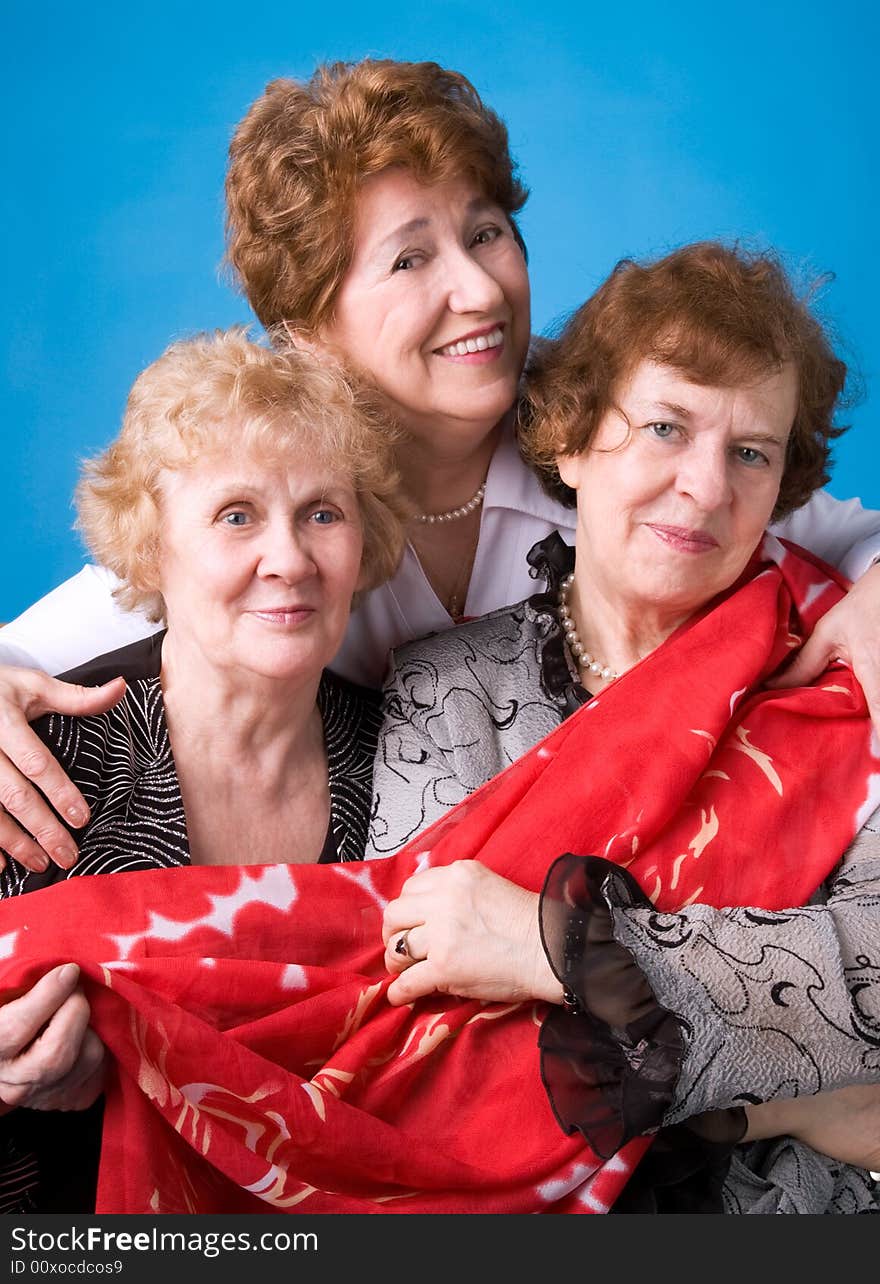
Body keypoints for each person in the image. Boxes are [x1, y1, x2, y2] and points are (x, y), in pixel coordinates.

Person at [3, 59, 880, 876]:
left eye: (487, 232)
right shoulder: (277, 526)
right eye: (411, 258)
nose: (482, 290)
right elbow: (72, 626)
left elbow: (834, 529)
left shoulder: (621, 453)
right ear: (309, 328)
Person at [367, 242, 880, 1213]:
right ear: (569, 438)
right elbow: (429, 1032)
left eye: (749, 453)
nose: (704, 487)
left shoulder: (847, 671)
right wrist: (804, 1095)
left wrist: (549, 947)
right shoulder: (447, 689)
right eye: (663, 427)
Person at [0, 327, 405, 1212]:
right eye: (236, 516)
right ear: (151, 548)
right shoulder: (35, 765)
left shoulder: (410, 760)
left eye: (323, 513)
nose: (290, 560)